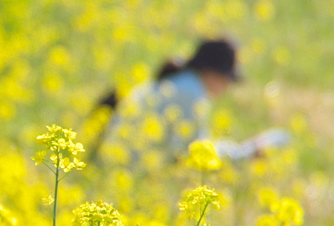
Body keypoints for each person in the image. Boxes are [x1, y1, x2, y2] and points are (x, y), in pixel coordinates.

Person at [93, 37, 288, 170]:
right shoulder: (190, 92)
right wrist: (243, 154)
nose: (227, 87)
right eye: (227, 79)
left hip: (116, 164)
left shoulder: (181, 82)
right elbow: (194, 153)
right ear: (212, 73)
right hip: (127, 168)